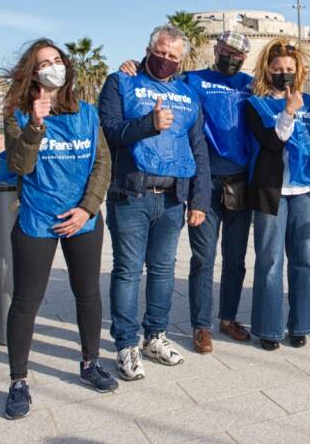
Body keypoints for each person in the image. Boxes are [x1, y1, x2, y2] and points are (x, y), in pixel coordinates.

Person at [0, 39, 117, 419]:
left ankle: (89, 363)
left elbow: (102, 163)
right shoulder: (17, 114)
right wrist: (35, 124)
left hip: (82, 220)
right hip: (37, 219)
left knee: (87, 294)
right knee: (25, 302)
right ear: (33, 74)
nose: (54, 66)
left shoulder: (87, 113)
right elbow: (19, 166)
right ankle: (18, 381)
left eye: (57, 60)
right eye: (44, 62)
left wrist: (87, 209)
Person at [119, 31, 255, 354]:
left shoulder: (250, 84)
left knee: (235, 258)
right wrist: (134, 66)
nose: (230, 57)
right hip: (204, 182)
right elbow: (159, 76)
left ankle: (229, 317)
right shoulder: (193, 80)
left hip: (240, 183)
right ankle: (201, 326)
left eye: (237, 54)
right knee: (204, 258)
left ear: (244, 59)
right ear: (216, 49)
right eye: (225, 50)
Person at [98, 25, 211, 380]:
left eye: (173, 56)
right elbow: (109, 130)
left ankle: (155, 336)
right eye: (160, 52)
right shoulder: (121, 82)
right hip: (131, 194)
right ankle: (126, 344)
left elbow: (198, 150)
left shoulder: (188, 94)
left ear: (182, 60)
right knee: (128, 271)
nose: (165, 60)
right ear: (148, 49)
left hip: (174, 199)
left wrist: (199, 199)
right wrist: (149, 123)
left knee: (163, 271)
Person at [245, 38, 310, 351]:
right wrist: (289, 113)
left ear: (299, 69)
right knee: (269, 261)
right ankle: (268, 327)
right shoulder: (255, 104)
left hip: (304, 190)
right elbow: (271, 142)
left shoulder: (307, 99)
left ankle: (301, 324)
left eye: (289, 69)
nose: (284, 73)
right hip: (272, 192)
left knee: (304, 260)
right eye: (278, 68)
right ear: (268, 69)